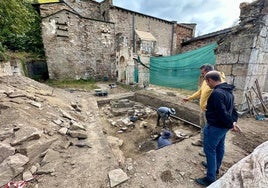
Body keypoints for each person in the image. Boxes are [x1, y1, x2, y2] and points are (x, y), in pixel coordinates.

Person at [195, 71, 241, 187]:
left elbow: (222, 112)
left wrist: (231, 124)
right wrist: (233, 122)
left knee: (209, 150)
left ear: (210, 80)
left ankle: (210, 178)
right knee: (220, 147)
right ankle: (215, 168)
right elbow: (233, 110)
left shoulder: (216, 94)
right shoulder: (228, 91)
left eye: (206, 81)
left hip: (215, 127)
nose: (206, 84)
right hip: (222, 128)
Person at [183, 64, 225, 156]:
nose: (202, 75)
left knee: (209, 130)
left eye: (203, 73)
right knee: (203, 127)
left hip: (210, 112)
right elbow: (200, 92)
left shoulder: (217, 82)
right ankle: (202, 141)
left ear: (208, 72)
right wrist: (189, 98)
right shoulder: (206, 81)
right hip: (203, 109)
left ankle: (207, 149)